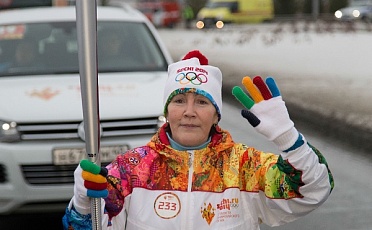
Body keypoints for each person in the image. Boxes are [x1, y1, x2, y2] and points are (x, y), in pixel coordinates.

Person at [62, 50, 334, 229]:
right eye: (179, 100)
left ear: (216, 114)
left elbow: (312, 191)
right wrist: (83, 203)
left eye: (202, 102)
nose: (189, 112)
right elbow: (87, 226)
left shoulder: (245, 168)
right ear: (167, 111)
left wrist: (288, 138)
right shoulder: (130, 171)